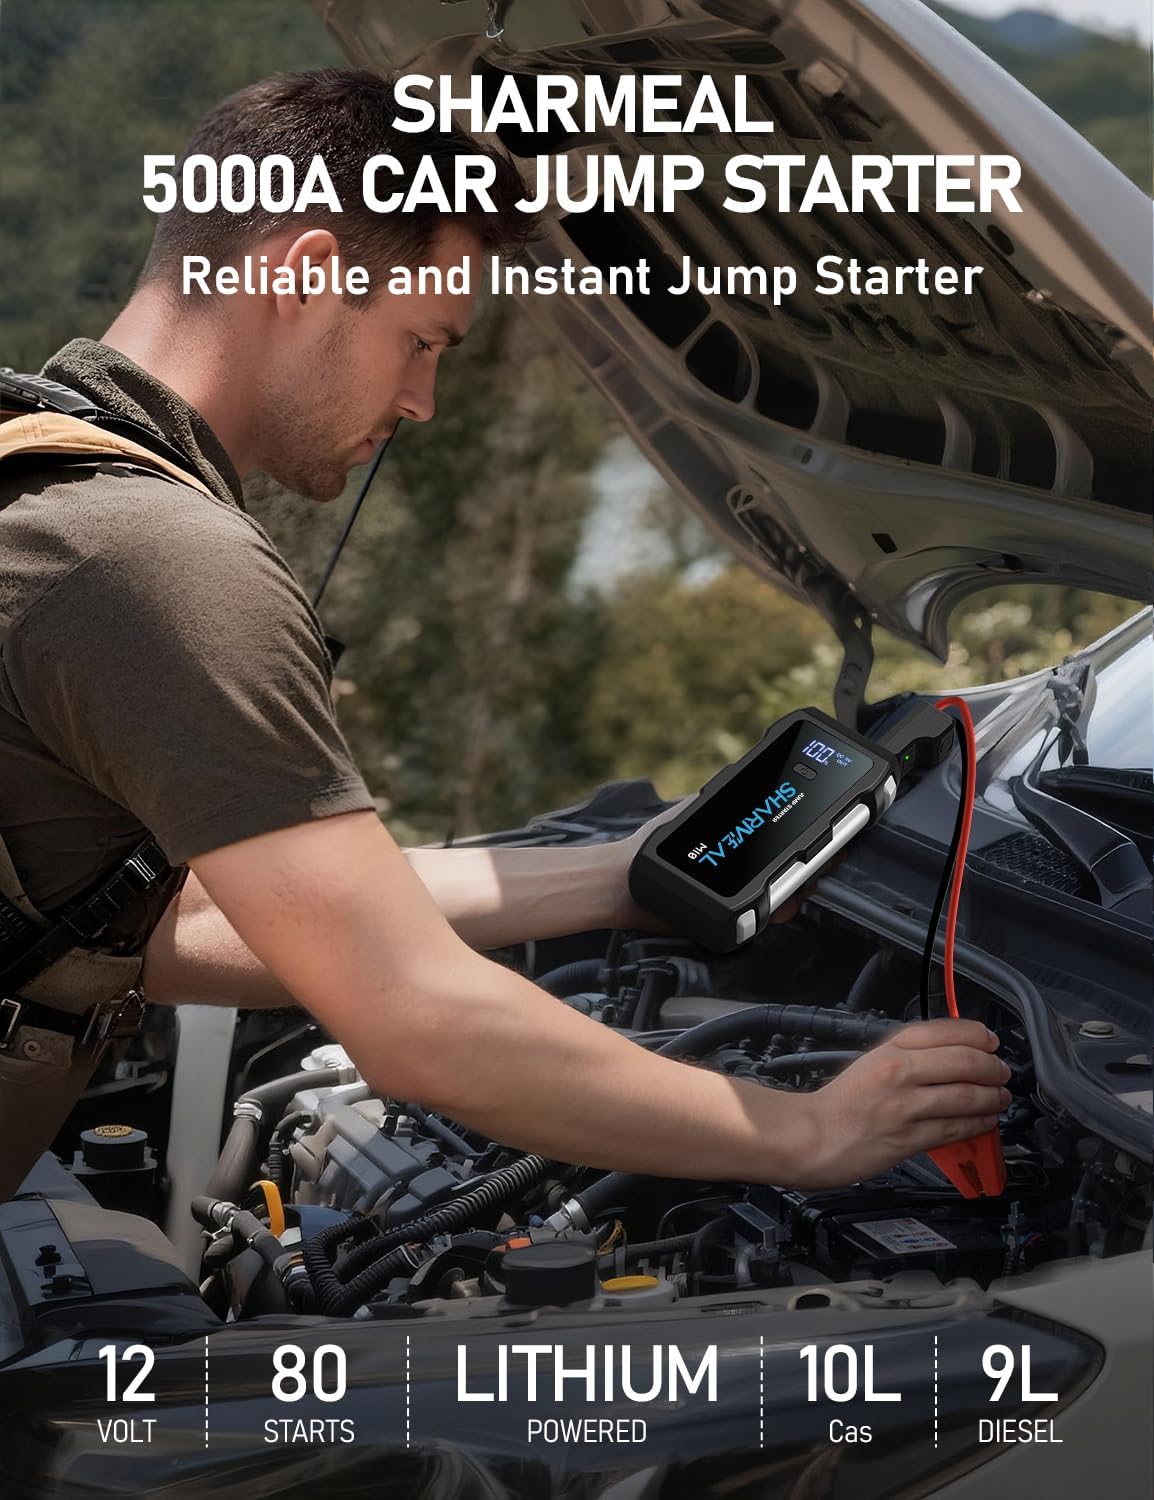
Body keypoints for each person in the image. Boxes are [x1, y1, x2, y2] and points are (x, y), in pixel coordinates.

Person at [0, 69, 1009, 1204]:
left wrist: (615, 876)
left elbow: (165, 921)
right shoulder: (153, 560)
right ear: (308, 269)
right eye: (422, 340)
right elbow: (417, 1022)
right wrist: (806, 1131)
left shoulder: (41, 477)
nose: (422, 401)